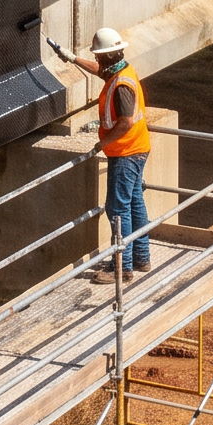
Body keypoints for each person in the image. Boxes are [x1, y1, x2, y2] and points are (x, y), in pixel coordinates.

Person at [64, 26, 151, 274]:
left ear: (107, 56)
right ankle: (141, 257)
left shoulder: (121, 85)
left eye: (97, 56)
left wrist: (102, 143)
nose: (95, 59)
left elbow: (125, 122)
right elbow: (99, 72)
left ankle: (121, 267)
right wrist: (72, 59)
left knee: (117, 208)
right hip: (135, 148)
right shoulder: (121, 71)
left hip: (125, 153)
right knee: (134, 202)